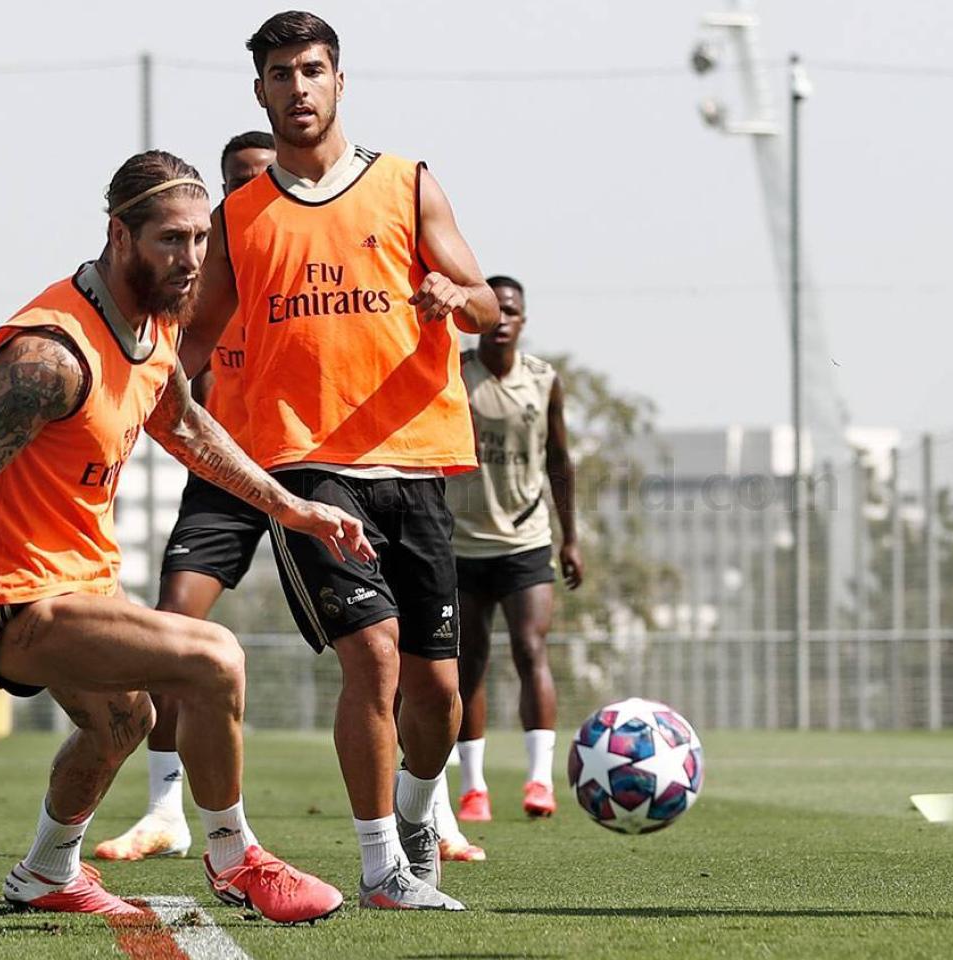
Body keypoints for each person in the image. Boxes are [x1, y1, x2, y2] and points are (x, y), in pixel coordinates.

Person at [0, 149, 374, 923]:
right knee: (214, 659)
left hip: (82, 584)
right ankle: (234, 857)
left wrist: (290, 505)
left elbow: (184, 422)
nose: (191, 260)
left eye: (199, 241)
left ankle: (47, 872)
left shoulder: (155, 324)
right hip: (13, 604)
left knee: (126, 721)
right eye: (171, 241)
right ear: (120, 236)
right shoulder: (50, 357)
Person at [176, 10, 499, 910]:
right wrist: (127, 410)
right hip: (307, 470)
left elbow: (483, 301)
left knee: (437, 695)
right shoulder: (238, 215)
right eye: (280, 75)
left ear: (340, 81)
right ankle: (379, 866)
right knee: (375, 656)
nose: (298, 88)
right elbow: (193, 339)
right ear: (260, 93)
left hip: (419, 463)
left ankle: (418, 808)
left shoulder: (408, 184)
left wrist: (453, 293)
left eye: (312, 70)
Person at [95, 129, 276, 863]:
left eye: (261, 180)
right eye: (236, 182)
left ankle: (421, 811)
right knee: (176, 627)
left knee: (380, 643)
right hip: (223, 474)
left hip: (307, 469)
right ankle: (166, 811)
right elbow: (168, 383)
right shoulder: (188, 279)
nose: (248, 194)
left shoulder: (311, 255)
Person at [436, 275, 583, 860]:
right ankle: (473, 788)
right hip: (464, 542)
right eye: (494, 310)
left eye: (513, 311)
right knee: (470, 661)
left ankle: (539, 779)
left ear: (523, 319)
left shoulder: (543, 380)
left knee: (530, 650)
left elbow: (559, 459)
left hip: (525, 540)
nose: (502, 319)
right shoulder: (456, 371)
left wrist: (571, 538)